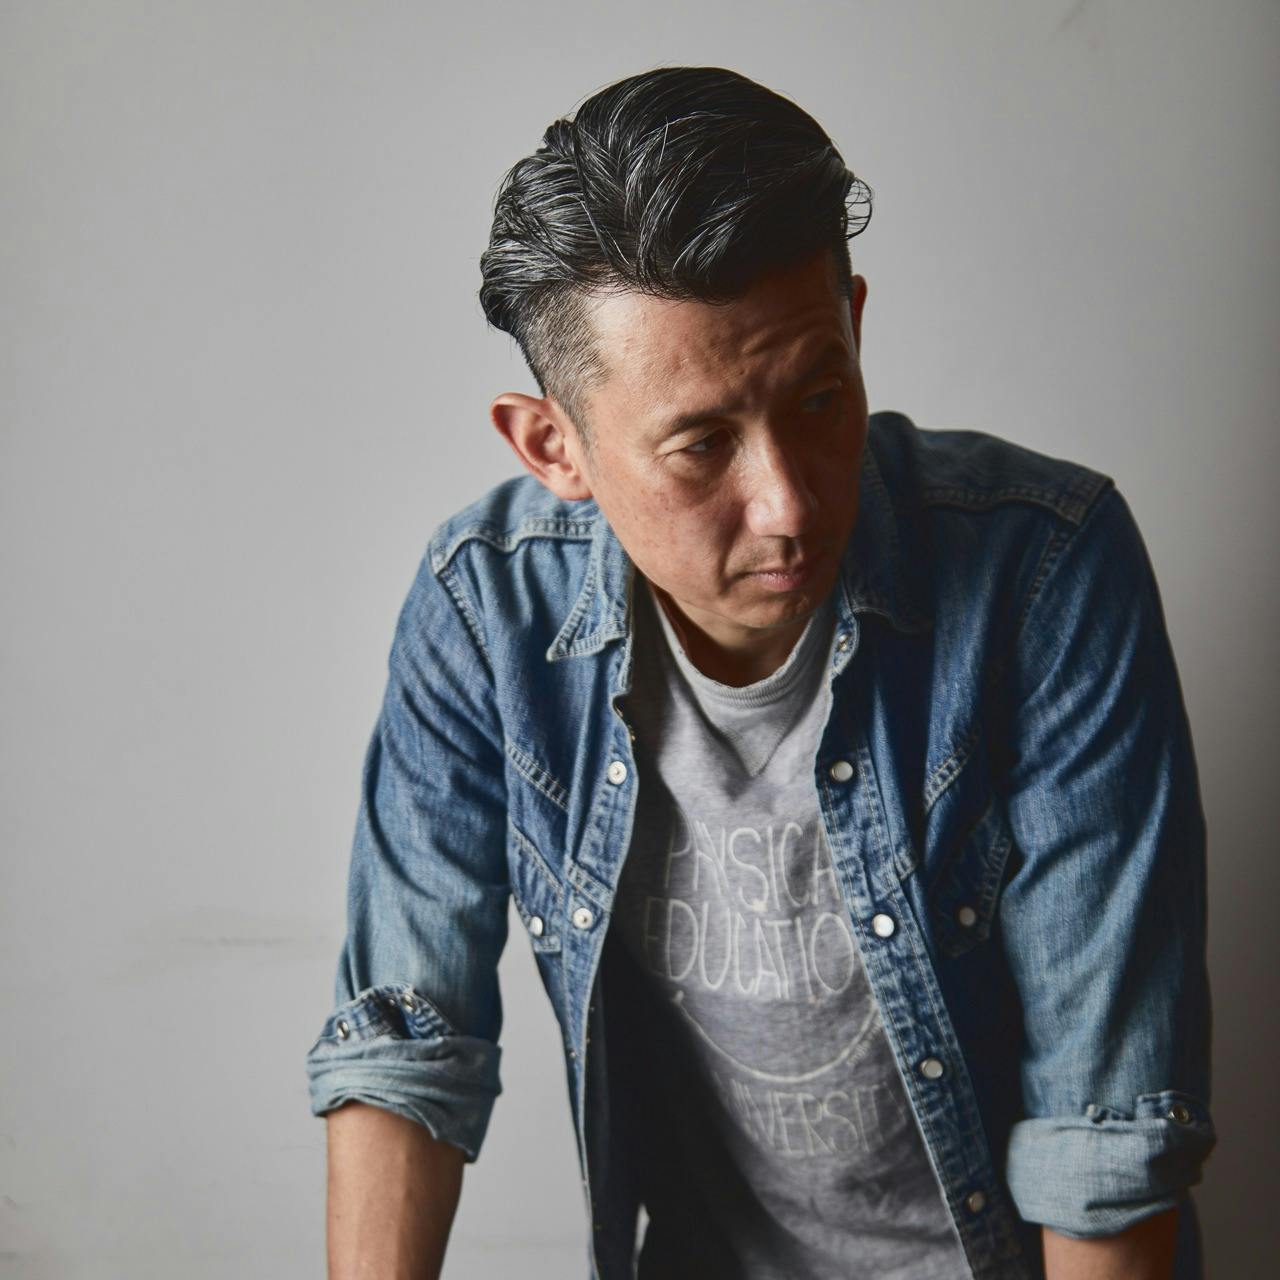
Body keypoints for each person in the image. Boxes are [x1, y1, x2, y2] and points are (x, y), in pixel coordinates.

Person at [305, 66, 1215, 1280]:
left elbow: (1105, 1126)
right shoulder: (486, 614)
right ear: (553, 446)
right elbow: (404, 1044)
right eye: (700, 445)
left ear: (854, 322)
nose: (787, 504)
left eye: (819, 398)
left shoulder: (1042, 571)